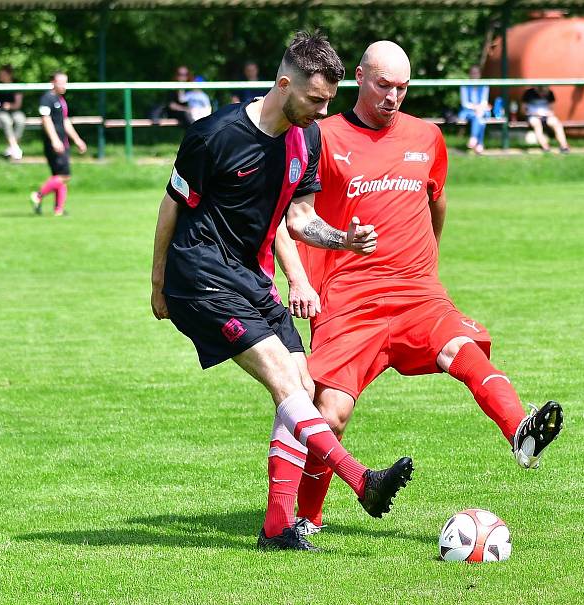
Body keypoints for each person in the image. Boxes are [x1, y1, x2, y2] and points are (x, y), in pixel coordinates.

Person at [272, 41, 564, 536]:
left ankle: (520, 430)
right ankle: (307, 519)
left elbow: (437, 201)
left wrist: (427, 263)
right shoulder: (319, 136)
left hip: (415, 291)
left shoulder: (427, 136)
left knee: (461, 348)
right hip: (349, 298)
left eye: (402, 88)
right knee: (331, 413)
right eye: (383, 85)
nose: (392, 96)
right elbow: (290, 214)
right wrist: (300, 278)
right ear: (359, 78)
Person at [149, 31, 413, 553]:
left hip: (250, 276)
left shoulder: (306, 138)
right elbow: (170, 208)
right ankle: (360, 480)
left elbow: (300, 219)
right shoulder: (214, 135)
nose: (322, 111)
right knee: (283, 381)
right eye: (315, 100)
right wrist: (158, 282)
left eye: (328, 102)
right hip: (199, 275)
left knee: (303, 384)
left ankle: (276, 527)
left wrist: (345, 241)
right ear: (283, 83)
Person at [29, 72, 87, 216]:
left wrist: (77, 139)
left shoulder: (61, 100)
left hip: (63, 142)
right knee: (64, 175)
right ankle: (38, 195)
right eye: (61, 82)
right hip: (54, 143)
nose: (64, 86)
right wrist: (55, 140)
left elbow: (65, 121)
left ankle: (58, 210)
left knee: (60, 177)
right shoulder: (47, 98)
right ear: (53, 82)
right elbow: (46, 120)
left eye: (65, 82)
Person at [520, 85, 570, 153]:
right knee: (537, 124)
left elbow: (551, 109)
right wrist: (533, 114)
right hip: (532, 116)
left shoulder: (550, 93)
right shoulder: (528, 93)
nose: (542, 94)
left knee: (556, 123)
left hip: (546, 116)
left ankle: (564, 146)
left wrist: (549, 113)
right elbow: (523, 110)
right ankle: (545, 147)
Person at [0, 65, 26, 160]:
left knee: (20, 120)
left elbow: (18, 104)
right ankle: (15, 148)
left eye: (3, 74)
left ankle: (11, 148)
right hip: (0, 111)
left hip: (14, 110)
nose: (1, 76)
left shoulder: (16, 85)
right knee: (6, 121)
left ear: (9, 75)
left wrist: (10, 106)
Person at [458, 66, 491, 154]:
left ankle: (474, 138)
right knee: (480, 118)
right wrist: (476, 108)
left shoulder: (484, 85)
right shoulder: (464, 85)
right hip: (468, 110)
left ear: (480, 74)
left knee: (479, 116)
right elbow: (464, 103)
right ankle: (479, 144)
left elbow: (484, 101)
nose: (474, 75)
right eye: (472, 73)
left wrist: (479, 108)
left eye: (476, 73)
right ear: (469, 74)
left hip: (481, 109)